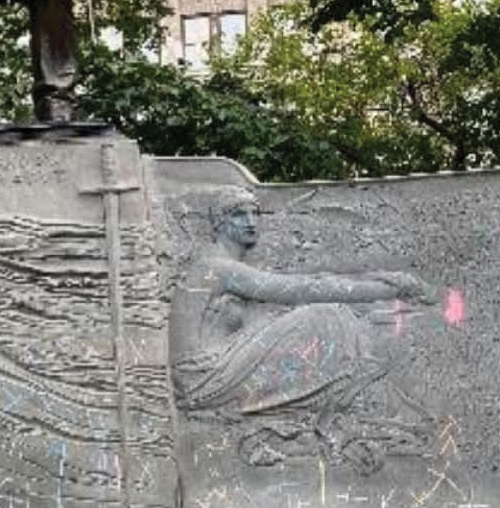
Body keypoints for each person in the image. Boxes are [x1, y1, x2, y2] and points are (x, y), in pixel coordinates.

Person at [169, 188, 441, 471]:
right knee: (322, 317)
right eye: (239, 214)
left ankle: (330, 404)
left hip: (216, 368)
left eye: (255, 213)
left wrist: (375, 283)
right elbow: (300, 290)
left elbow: (309, 284)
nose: (250, 221)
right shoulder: (216, 267)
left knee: (319, 315)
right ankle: (332, 406)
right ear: (218, 223)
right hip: (204, 378)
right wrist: (388, 289)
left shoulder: (223, 267)